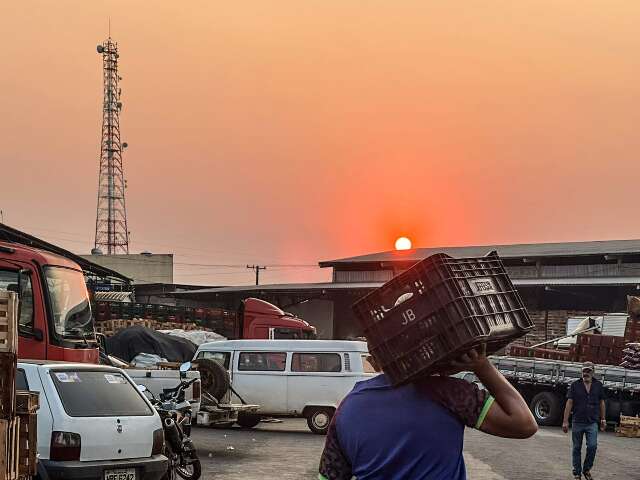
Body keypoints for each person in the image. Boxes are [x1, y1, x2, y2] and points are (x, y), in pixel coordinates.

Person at [318, 347, 537, 480]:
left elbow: (329, 476)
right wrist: (482, 365)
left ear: (373, 361)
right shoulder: (452, 393)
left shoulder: (347, 408)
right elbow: (524, 424)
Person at [562, 361, 606, 480]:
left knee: (592, 446)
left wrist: (603, 419)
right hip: (577, 422)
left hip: (592, 422)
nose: (586, 373)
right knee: (576, 447)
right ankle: (577, 472)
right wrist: (565, 421)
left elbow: (602, 402)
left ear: (593, 372)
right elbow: (569, 403)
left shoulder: (598, 385)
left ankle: (586, 469)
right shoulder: (575, 385)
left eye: (588, 371)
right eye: (584, 371)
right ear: (581, 371)